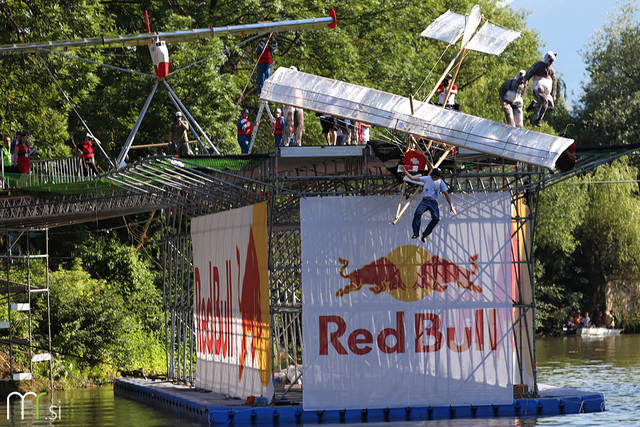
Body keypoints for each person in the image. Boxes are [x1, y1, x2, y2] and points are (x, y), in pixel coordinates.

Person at [400, 166, 457, 242]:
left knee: (436, 219)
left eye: (436, 177)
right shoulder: (427, 178)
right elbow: (412, 178)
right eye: (434, 176)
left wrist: (451, 206)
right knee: (417, 213)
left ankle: (425, 234)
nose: (435, 178)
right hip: (425, 201)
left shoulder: (440, 182)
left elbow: (446, 194)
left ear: (439, 177)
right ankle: (416, 233)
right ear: (432, 175)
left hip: (433, 202)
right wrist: (404, 171)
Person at [523, 51, 557, 127]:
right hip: (538, 86)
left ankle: (534, 105)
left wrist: (554, 94)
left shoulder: (551, 69)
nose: (551, 63)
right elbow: (529, 73)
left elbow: (554, 80)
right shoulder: (538, 65)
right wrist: (524, 82)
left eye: (552, 61)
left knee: (551, 107)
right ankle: (537, 119)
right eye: (550, 61)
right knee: (544, 102)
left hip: (547, 91)